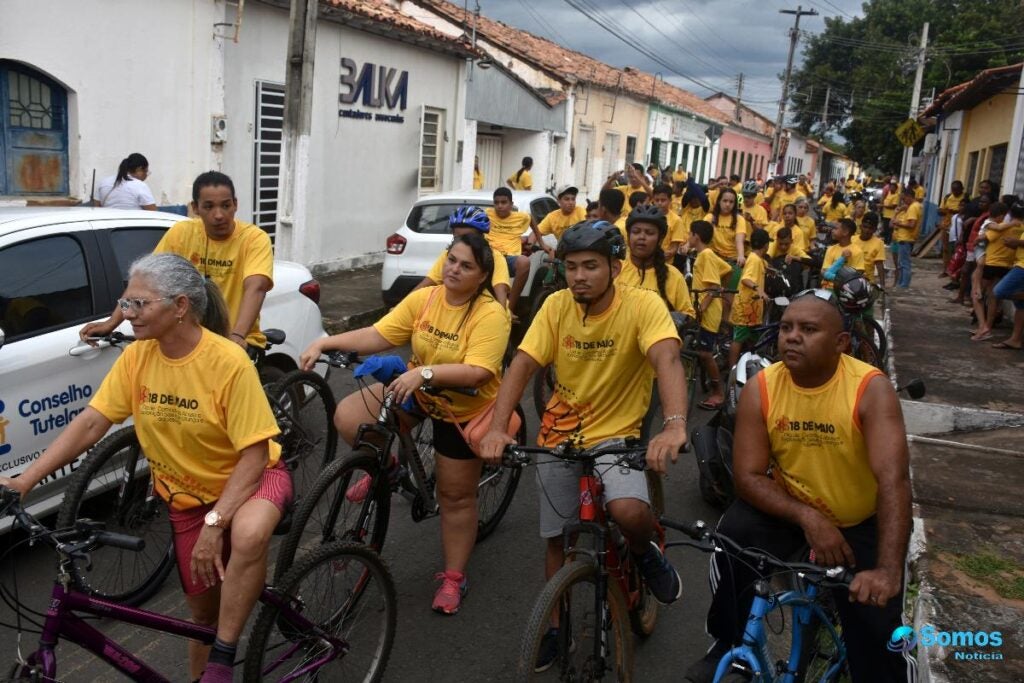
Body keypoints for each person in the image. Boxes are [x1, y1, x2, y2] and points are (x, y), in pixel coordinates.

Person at [2, 253, 290, 683]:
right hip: (187, 497)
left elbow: (253, 454)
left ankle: (224, 659)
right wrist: (25, 481)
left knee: (246, 535)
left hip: (250, 481)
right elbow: (92, 421)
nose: (127, 315)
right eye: (126, 303)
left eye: (139, 304)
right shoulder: (139, 357)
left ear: (179, 307)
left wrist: (216, 522)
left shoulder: (227, 361)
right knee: (201, 617)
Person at [478, 220, 688, 672]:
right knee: (559, 538)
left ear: (615, 266)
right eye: (571, 267)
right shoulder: (555, 307)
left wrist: (672, 426)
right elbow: (522, 365)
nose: (579, 276)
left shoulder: (643, 305)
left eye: (591, 266)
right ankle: (556, 627)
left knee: (629, 512)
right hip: (559, 433)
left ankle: (642, 551)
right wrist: (498, 428)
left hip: (617, 435)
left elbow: (666, 358)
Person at [684, 290, 916, 683]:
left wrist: (888, 571)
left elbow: (893, 482)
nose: (792, 337)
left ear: (841, 343)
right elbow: (748, 477)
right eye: (786, 327)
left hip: (860, 520)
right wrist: (809, 518)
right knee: (731, 543)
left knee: (880, 641)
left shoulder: (869, 389)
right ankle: (728, 641)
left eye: (808, 329)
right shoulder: (764, 386)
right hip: (791, 508)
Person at [300, 231, 509, 615]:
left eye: (467, 266)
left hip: (462, 409)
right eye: (452, 259)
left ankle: (453, 578)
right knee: (349, 417)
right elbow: (379, 334)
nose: (454, 270)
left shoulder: (490, 314)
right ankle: (390, 468)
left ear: (483, 276)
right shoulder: (425, 298)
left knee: (455, 497)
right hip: (419, 390)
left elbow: (478, 372)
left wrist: (425, 373)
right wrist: (324, 343)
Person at [81, 172, 273, 352]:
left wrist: (237, 336)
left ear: (235, 205)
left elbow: (256, 287)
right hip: (186, 338)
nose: (219, 215)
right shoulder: (181, 233)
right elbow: (143, 280)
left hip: (233, 340)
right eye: (208, 206)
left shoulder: (254, 238)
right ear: (196, 208)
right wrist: (111, 323)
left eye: (226, 205)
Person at [413, 205, 510, 308]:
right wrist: (401, 306)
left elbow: (501, 290)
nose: (462, 243)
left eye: (468, 239)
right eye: (458, 238)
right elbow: (427, 283)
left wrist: (501, 315)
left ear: (481, 237)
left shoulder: (495, 256)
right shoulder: (448, 254)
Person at [620, 204, 696, 316]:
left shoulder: (674, 277)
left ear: (660, 239)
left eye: (649, 233)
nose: (642, 237)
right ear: (628, 235)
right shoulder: (615, 271)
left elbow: (688, 316)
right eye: (636, 232)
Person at [689, 220, 733, 410]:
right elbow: (728, 269)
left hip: (707, 313)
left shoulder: (705, 255)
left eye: (689, 234)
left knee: (705, 353)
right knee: (703, 349)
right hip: (709, 311)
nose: (687, 238)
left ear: (696, 236)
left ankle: (719, 393)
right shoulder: (708, 255)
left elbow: (713, 288)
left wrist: (701, 308)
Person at [485, 187, 548, 314]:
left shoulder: (521, 217)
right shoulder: (488, 214)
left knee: (524, 262)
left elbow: (531, 220)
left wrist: (542, 244)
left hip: (510, 259)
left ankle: (510, 309)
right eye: (496, 203)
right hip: (490, 257)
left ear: (511, 204)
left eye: (504, 202)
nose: (500, 206)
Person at [971, 202, 1022, 341]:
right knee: (993, 296)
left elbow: (981, 238)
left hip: (991, 263)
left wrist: (975, 241)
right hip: (1007, 266)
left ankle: (982, 326)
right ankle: (988, 326)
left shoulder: (999, 228)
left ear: (1009, 215)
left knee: (977, 294)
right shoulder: (1021, 228)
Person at [728, 228, 771, 367]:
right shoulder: (754, 260)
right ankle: (732, 369)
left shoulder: (757, 259)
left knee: (753, 338)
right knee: (739, 338)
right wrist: (759, 290)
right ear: (766, 245)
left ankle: (751, 365)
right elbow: (746, 279)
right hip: (745, 308)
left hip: (752, 309)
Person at [991, 222, 1024, 350]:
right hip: (1019, 263)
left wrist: (1017, 242)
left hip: (1022, 267)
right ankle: (1015, 339)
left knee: (999, 292)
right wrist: (1013, 245)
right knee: (1020, 305)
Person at [890, 187, 922, 288]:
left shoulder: (913, 207)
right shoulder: (917, 206)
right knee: (902, 262)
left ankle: (904, 284)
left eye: (904, 199)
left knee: (904, 263)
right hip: (904, 238)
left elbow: (911, 224)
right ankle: (901, 282)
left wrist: (899, 224)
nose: (903, 202)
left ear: (909, 197)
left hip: (906, 238)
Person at [822, 218, 866, 288]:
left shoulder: (857, 251)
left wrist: (831, 276)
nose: (832, 231)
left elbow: (856, 276)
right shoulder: (830, 249)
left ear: (845, 232)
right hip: (827, 287)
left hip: (845, 290)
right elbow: (823, 272)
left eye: (835, 229)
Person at [937, 181, 965, 272]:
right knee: (945, 249)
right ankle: (945, 269)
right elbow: (940, 211)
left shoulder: (965, 198)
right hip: (946, 226)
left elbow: (967, 211)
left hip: (958, 227)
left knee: (957, 249)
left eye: (957, 190)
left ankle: (955, 270)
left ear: (962, 189)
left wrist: (955, 212)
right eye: (953, 190)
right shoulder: (947, 197)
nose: (955, 192)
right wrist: (946, 211)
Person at [856, 212, 887, 288]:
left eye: (870, 228)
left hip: (868, 282)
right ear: (860, 226)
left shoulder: (879, 243)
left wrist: (882, 285)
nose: (867, 230)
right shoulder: (851, 240)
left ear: (875, 229)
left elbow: (879, 264)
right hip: (850, 279)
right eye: (865, 227)